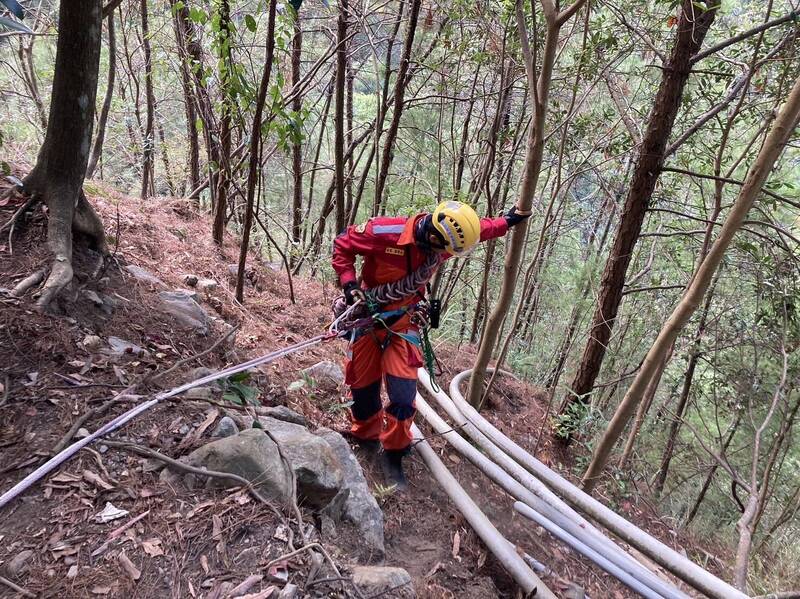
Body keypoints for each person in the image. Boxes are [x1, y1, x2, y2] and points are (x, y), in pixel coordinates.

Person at [331, 201, 531, 489]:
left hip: (404, 321)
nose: (444, 255)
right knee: (362, 385)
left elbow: (481, 230)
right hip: (369, 318)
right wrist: (350, 285)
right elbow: (343, 244)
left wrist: (507, 222)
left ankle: (395, 453)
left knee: (402, 393)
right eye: (442, 249)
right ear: (433, 236)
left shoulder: (443, 242)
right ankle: (365, 434)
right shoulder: (385, 232)